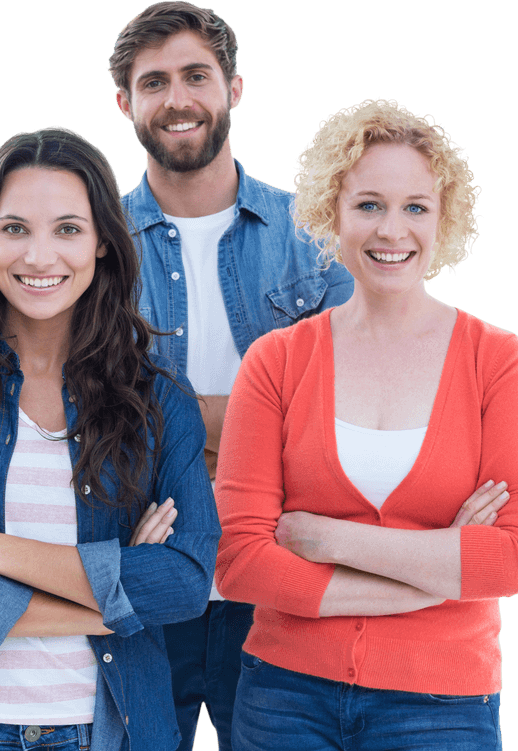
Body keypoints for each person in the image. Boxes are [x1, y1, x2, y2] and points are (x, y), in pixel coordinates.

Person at [215, 98, 518, 750]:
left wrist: (326, 537)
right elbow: (240, 563)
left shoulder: (499, 361)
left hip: (442, 704)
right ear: (331, 214)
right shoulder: (277, 362)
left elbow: (517, 554)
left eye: (415, 207)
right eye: (369, 204)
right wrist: (436, 570)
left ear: (443, 219)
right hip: (284, 695)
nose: (391, 230)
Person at [0, 126, 220, 751]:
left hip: (112, 732)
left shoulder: (160, 400)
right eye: (14, 229)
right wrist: (106, 603)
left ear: (103, 244)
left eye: (67, 229)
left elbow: (186, 581)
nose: (39, 256)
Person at [106, 3, 354, 747]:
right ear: (126, 103)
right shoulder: (94, 248)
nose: (177, 99)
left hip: (281, 583)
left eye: (195, 76)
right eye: (154, 82)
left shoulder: (315, 240)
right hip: (147, 582)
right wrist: (261, 428)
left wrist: (180, 434)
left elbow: (347, 412)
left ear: (233, 88)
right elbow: (95, 417)